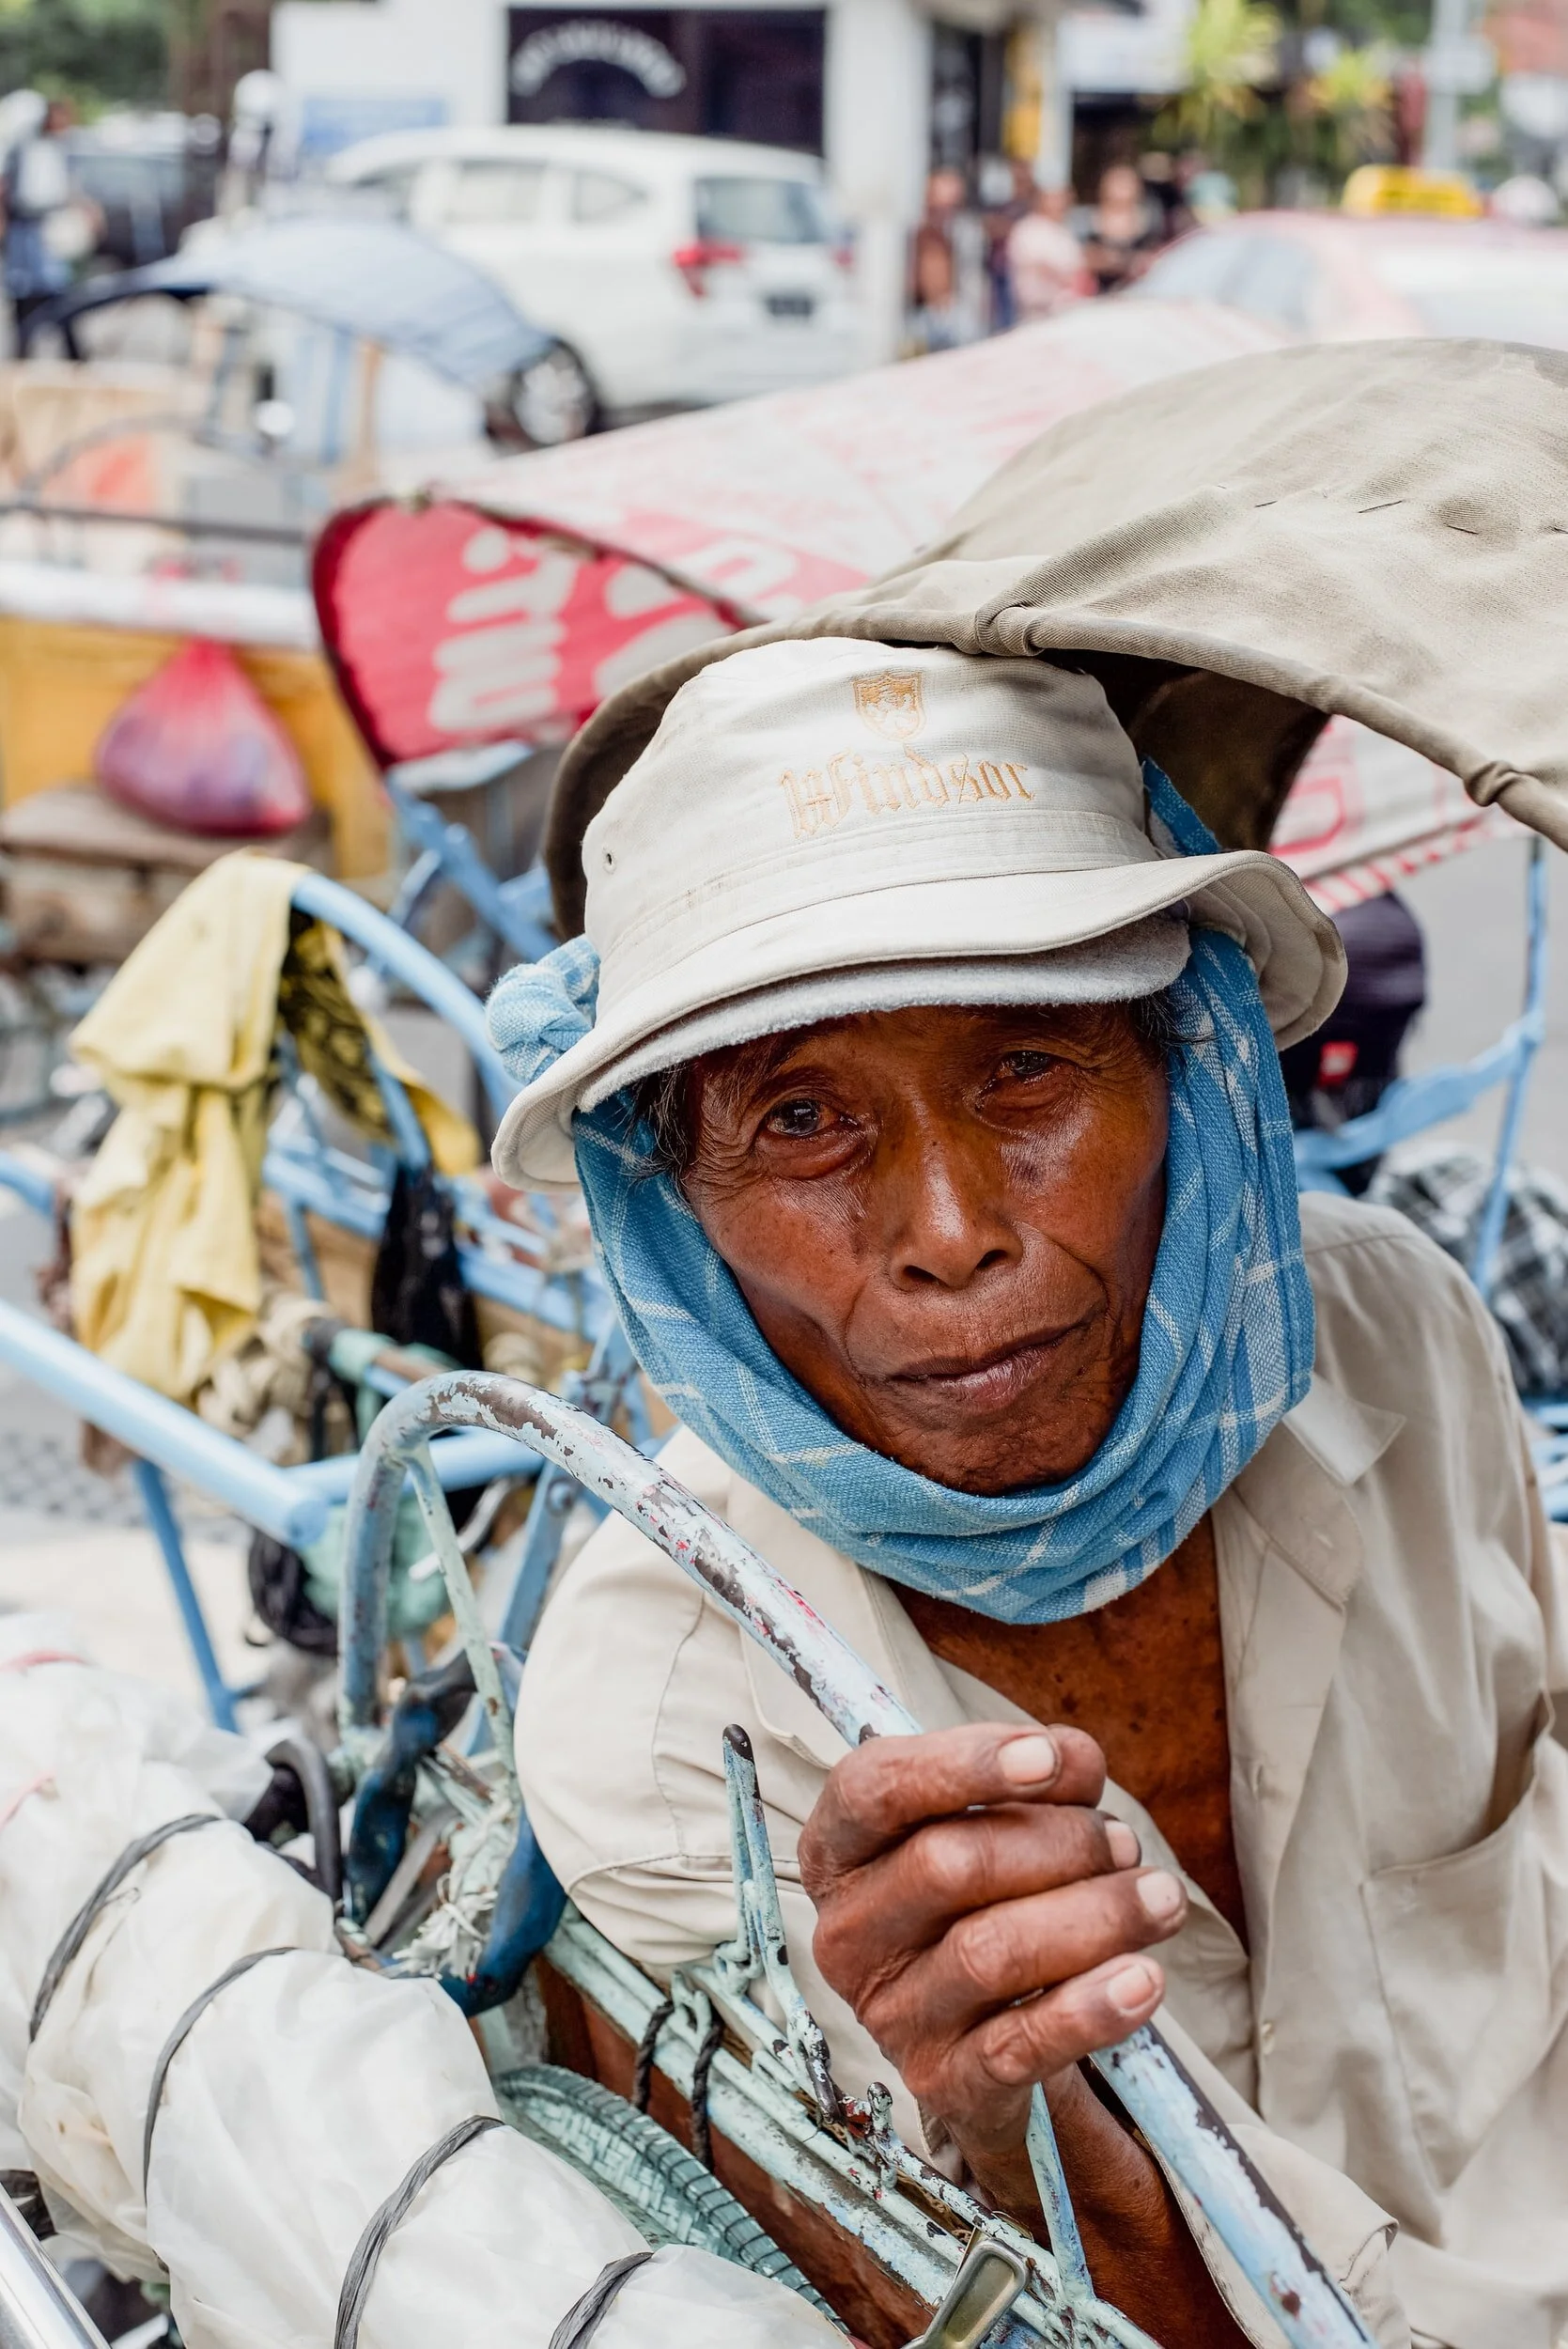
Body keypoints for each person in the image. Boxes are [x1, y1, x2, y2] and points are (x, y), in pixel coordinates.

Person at [490, 636, 1568, 2349]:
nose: (945, 1233)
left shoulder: (1388, 1332)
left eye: (1025, 1071)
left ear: (1187, 1064)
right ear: (670, 1195)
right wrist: (1032, 2150)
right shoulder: (661, 1710)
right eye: (798, 1122)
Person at [2, 93, 77, 345]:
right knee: (25, 289)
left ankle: (69, 347)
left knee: (56, 288)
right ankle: (24, 344)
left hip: (47, 227)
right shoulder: (22, 149)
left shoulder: (55, 148)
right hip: (25, 226)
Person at [1005, 179, 1088, 322]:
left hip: (1068, 311)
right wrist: (1065, 279)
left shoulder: (1066, 230)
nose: (1060, 202)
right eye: (1054, 197)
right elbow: (1038, 267)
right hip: (1036, 314)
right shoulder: (1027, 229)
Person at [1078, 161, 1161, 294]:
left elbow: (1155, 256)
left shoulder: (1149, 220)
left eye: (1126, 183)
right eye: (1117, 183)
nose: (1122, 189)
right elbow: (1079, 256)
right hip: (1095, 293)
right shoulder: (1087, 219)